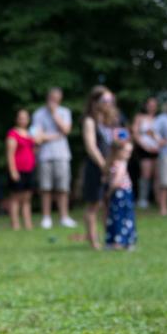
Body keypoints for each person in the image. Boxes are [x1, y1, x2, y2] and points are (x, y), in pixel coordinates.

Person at [32, 87, 76, 228]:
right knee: (46, 187)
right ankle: (46, 217)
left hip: (62, 154)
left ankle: (64, 217)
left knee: (63, 188)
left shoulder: (64, 112)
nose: (54, 100)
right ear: (48, 97)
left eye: (57, 98)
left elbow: (66, 130)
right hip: (45, 155)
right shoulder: (38, 114)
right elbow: (37, 137)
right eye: (52, 97)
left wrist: (54, 114)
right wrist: (56, 135)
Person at [81, 86, 119, 249]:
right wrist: (103, 165)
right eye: (105, 101)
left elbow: (121, 138)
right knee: (94, 204)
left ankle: (109, 238)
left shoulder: (111, 121)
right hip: (96, 167)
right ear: (95, 102)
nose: (109, 104)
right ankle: (93, 241)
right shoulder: (90, 121)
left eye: (111, 100)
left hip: (112, 165)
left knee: (109, 204)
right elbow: (91, 146)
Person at [5, 108, 35, 231]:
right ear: (16, 119)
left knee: (27, 198)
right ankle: (15, 224)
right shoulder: (12, 134)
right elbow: (10, 154)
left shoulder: (29, 134)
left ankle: (28, 224)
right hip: (18, 170)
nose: (23, 120)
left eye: (25, 117)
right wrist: (13, 171)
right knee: (15, 198)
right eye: (20, 117)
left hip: (29, 169)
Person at [105, 139, 136, 250]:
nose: (129, 154)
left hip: (120, 193)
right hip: (122, 194)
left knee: (120, 217)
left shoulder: (121, 164)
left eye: (130, 152)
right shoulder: (118, 163)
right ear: (117, 151)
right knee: (120, 217)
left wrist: (109, 192)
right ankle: (121, 241)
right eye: (126, 151)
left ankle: (120, 241)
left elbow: (117, 181)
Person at [131, 96, 160, 209]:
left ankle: (158, 198)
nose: (152, 107)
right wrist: (145, 146)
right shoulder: (139, 117)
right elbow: (135, 133)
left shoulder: (159, 118)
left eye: (154, 104)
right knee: (145, 174)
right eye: (150, 104)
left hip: (158, 150)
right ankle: (143, 199)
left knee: (158, 175)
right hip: (144, 150)